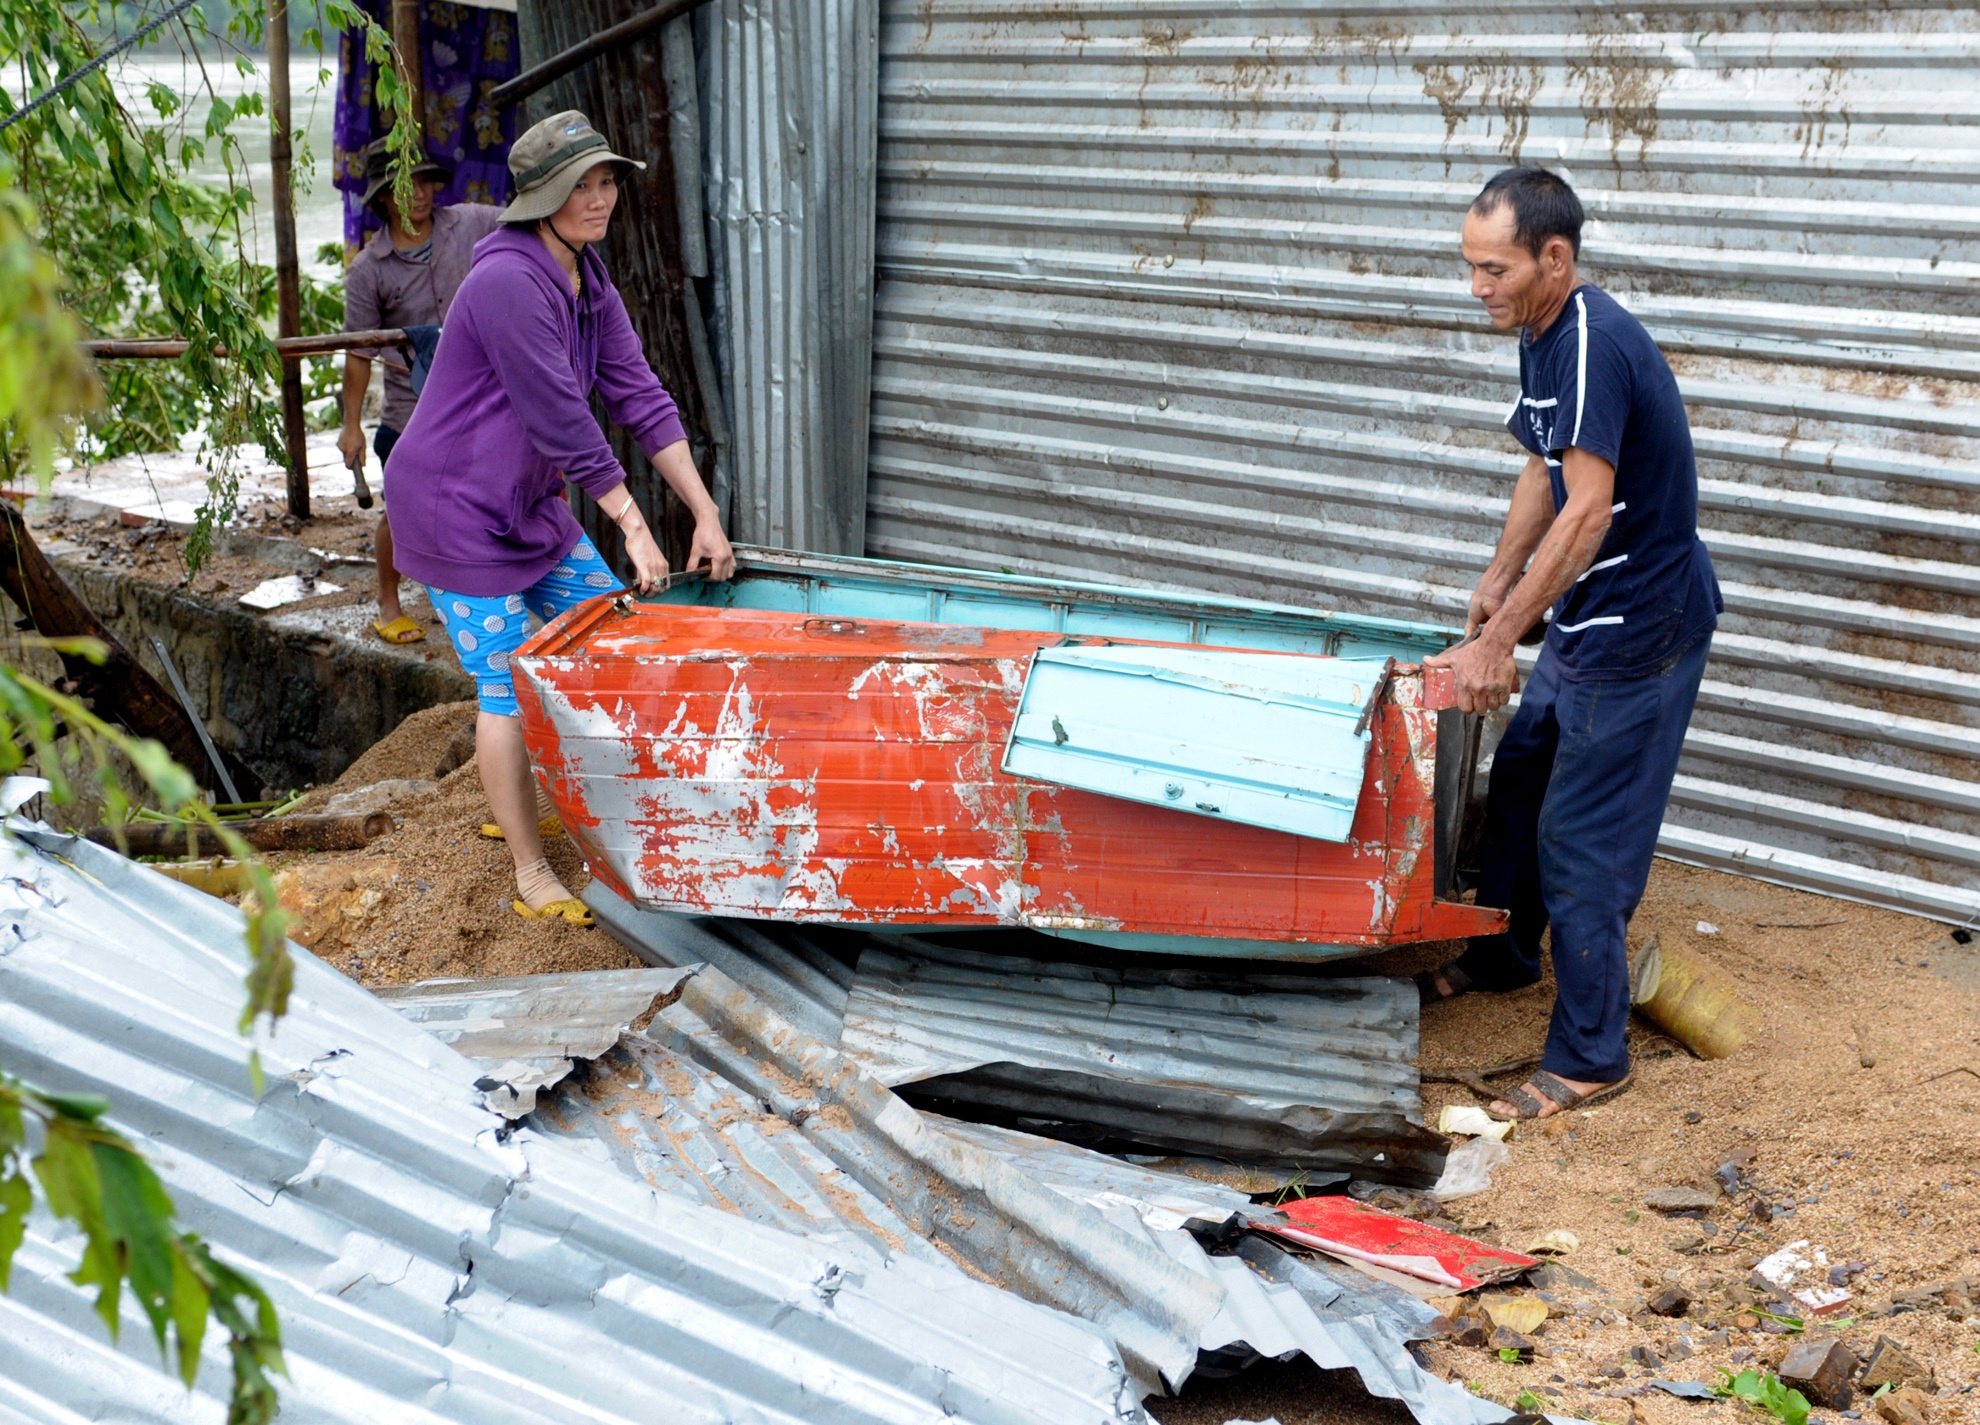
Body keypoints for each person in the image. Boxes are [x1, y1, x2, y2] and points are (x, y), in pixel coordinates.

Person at [1419, 167, 1722, 1122]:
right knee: (1522, 775)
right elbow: (1543, 472)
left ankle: (1592, 1053)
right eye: (1470, 267)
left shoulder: (1590, 341)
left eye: (1494, 268)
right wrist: (1498, 581)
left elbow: (1589, 510)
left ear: (1555, 257)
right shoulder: (1540, 332)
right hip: (1588, 611)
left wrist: (1499, 640)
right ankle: (1505, 955)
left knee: (1580, 838)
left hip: (1638, 624)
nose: (1478, 287)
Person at [383, 110, 735, 928]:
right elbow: (560, 419)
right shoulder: (507, 281)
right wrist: (635, 524)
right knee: (505, 678)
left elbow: (637, 393)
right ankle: (531, 868)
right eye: (581, 185)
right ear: (539, 197)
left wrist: (703, 511)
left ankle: (561, 804)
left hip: (527, 504)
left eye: (607, 180)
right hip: (454, 511)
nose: (599, 197)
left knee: (605, 636)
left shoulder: (588, 274)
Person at [338, 139, 504, 644]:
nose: (419, 195)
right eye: (404, 187)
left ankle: (484, 596)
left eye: (425, 182)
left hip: (480, 398)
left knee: (486, 501)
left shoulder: (473, 223)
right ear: (385, 197)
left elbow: (528, 224)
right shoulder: (369, 269)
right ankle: (388, 604)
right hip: (411, 410)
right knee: (403, 508)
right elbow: (358, 354)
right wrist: (350, 427)